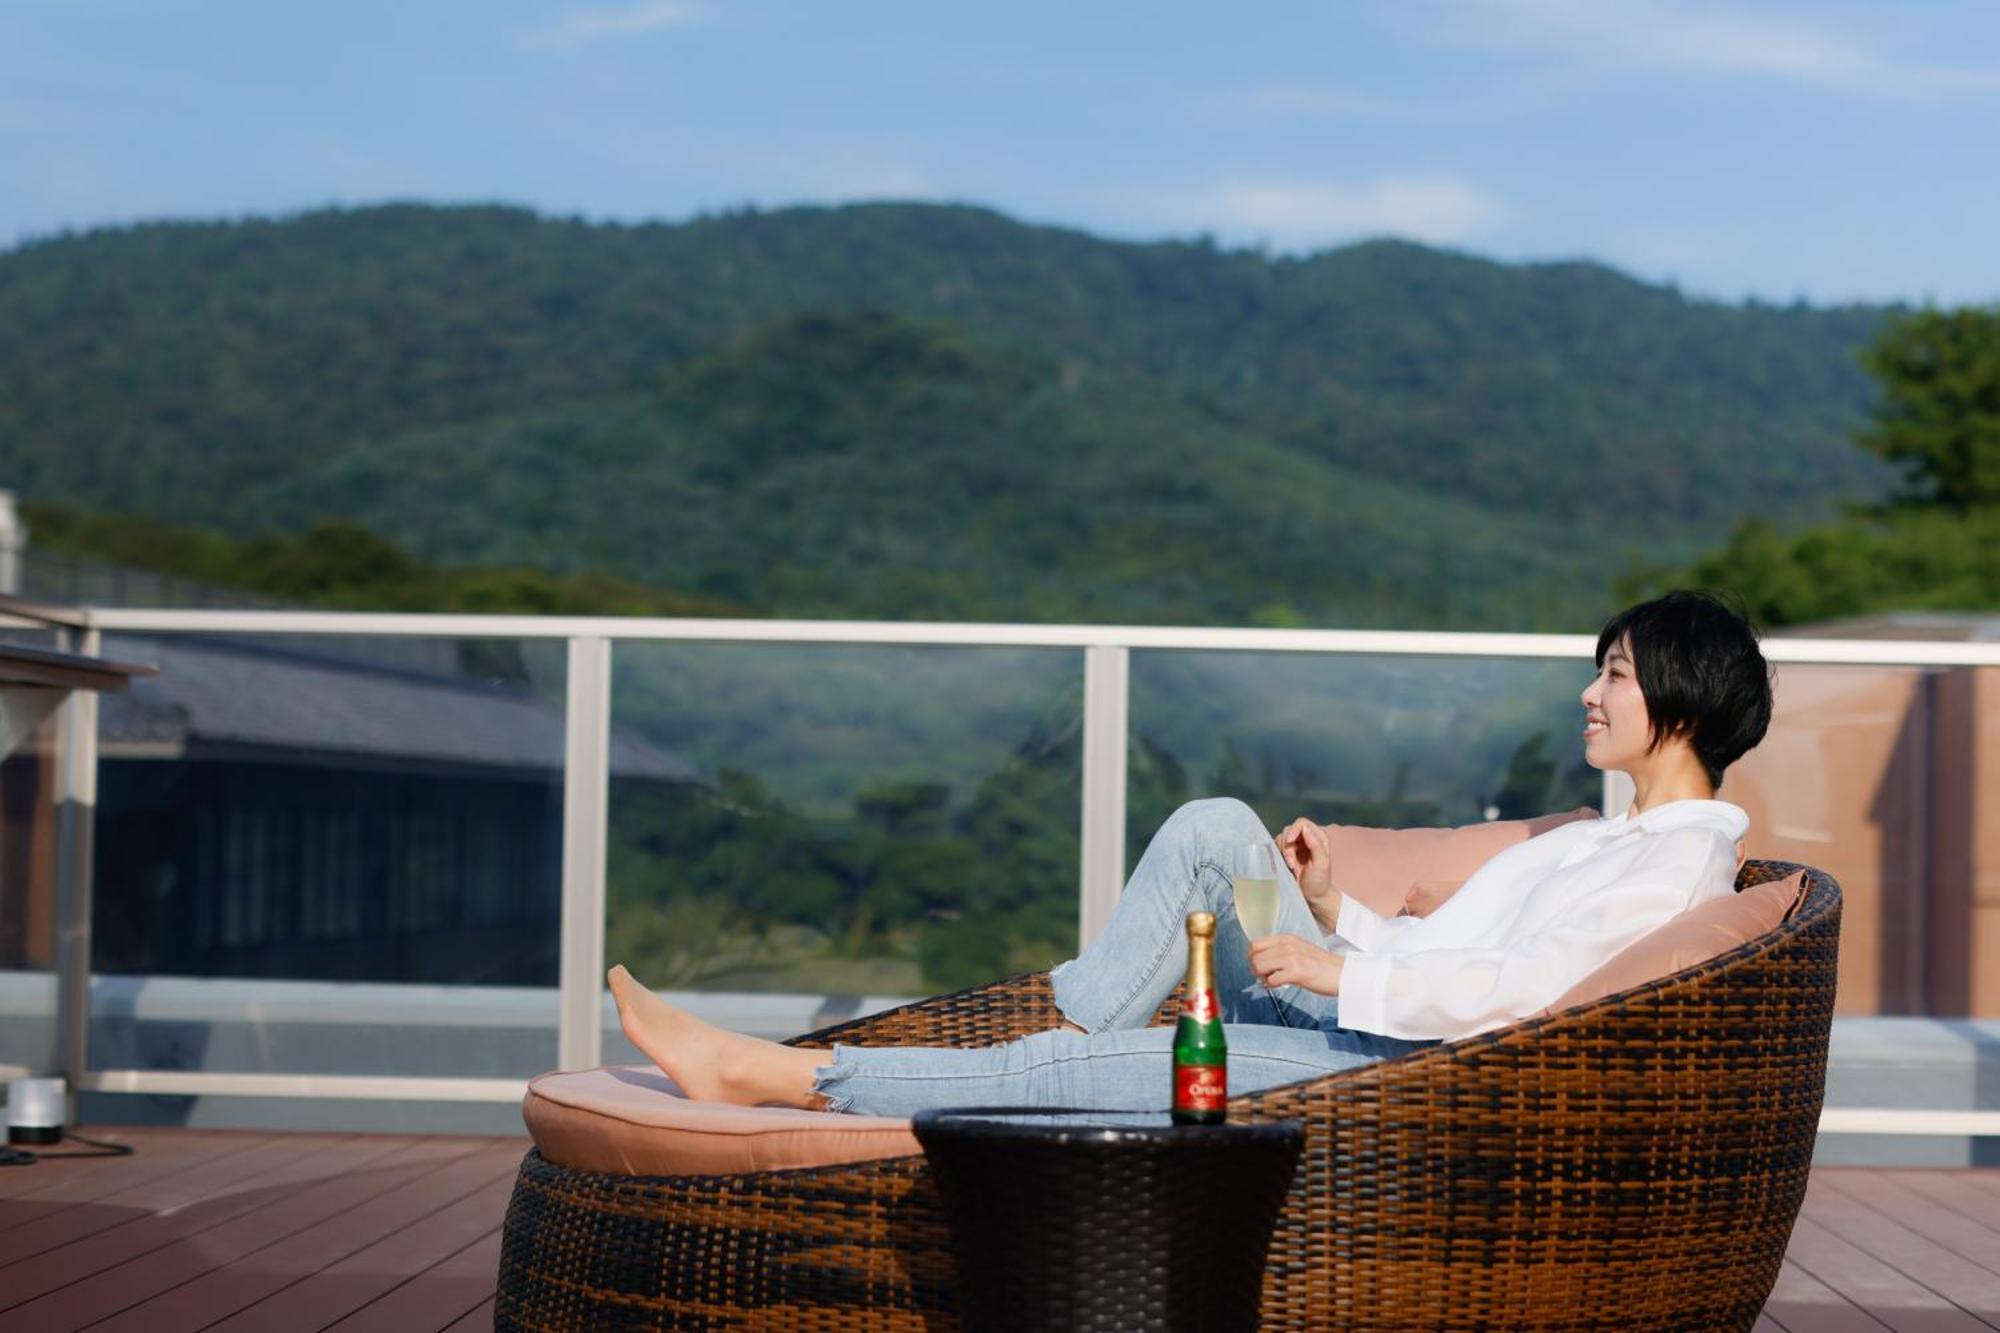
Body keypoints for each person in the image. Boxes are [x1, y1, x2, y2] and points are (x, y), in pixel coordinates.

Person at [607, 590, 1774, 1117]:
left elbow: (1529, 996)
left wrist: (1335, 972)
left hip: (1395, 1062)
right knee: (1219, 825)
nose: (1588, 690)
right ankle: (1076, 1028)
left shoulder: (1667, 870)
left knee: (1106, 1079)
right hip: (1371, 1008)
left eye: (1613, 673)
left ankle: (777, 1076)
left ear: (1679, 697)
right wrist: (1331, 913)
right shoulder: (1603, 836)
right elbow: (1467, 948)